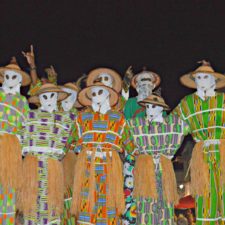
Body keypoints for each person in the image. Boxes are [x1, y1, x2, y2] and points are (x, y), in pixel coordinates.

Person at [65, 82, 134, 225]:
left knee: (109, 203)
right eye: (93, 93)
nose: (96, 96)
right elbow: (71, 141)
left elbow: (130, 143)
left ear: (109, 94)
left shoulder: (118, 118)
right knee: (87, 203)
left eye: (100, 92)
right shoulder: (82, 117)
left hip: (110, 165)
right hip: (87, 165)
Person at [172, 60, 225, 225]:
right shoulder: (187, 104)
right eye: (198, 77)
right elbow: (172, 126)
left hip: (223, 150)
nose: (201, 80)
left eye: (205, 77)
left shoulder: (223, 100)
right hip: (201, 154)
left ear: (214, 80)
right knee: (205, 196)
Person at [128, 94, 189, 225]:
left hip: (164, 169)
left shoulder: (173, 125)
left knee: (165, 205)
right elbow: (124, 136)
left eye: (153, 106)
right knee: (144, 204)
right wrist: (136, 153)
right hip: (145, 171)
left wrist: (168, 156)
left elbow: (188, 125)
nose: (149, 109)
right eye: (147, 106)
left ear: (162, 108)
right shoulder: (137, 125)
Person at [20, 83, 76, 225]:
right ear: (39, 98)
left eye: (52, 96)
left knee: (51, 202)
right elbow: (21, 136)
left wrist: (59, 153)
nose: (49, 99)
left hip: (53, 165)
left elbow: (70, 139)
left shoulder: (66, 119)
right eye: (45, 96)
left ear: (57, 97)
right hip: (32, 164)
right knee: (31, 202)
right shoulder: (29, 115)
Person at [123, 68, 161, 225]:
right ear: (136, 85)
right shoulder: (131, 104)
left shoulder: (159, 103)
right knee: (130, 193)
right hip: (133, 155)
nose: (145, 84)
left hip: (153, 156)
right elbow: (123, 127)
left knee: (153, 193)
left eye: (148, 80)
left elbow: (163, 129)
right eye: (142, 80)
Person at [0, 57, 30, 225]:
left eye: (14, 77)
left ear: (19, 80)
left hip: (12, 149)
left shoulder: (22, 102)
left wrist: (21, 144)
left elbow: (25, 126)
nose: (10, 80)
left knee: (8, 187)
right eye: (7, 76)